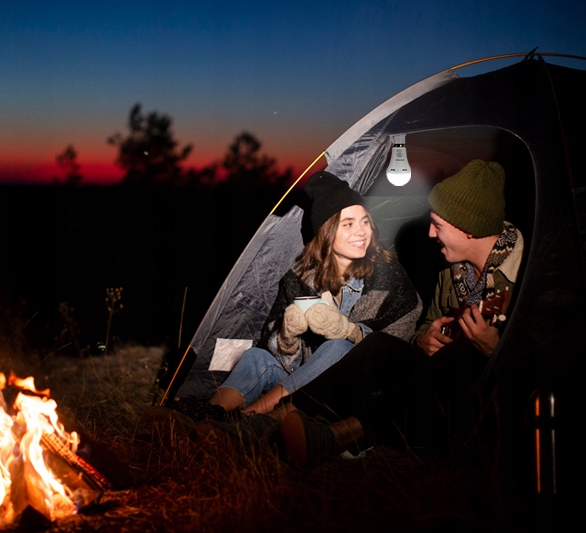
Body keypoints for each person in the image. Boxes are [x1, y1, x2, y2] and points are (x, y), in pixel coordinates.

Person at [278, 159, 525, 467]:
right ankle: (275, 421)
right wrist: (422, 340)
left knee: (464, 356)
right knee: (378, 347)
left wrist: (495, 349)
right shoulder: (453, 272)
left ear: (469, 229)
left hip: (493, 407)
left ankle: (338, 435)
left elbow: (551, 364)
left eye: (438, 225)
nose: (431, 235)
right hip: (435, 390)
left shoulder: (527, 273)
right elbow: (426, 324)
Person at [177, 171, 421, 422]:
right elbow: (277, 349)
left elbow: (394, 349)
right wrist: (288, 336)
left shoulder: (388, 275)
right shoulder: (300, 279)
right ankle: (208, 413)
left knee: (338, 346)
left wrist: (350, 331)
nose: (361, 232)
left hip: (353, 389)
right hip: (300, 377)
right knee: (255, 357)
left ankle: (252, 421)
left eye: (365, 221)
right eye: (348, 224)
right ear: (326, 231)